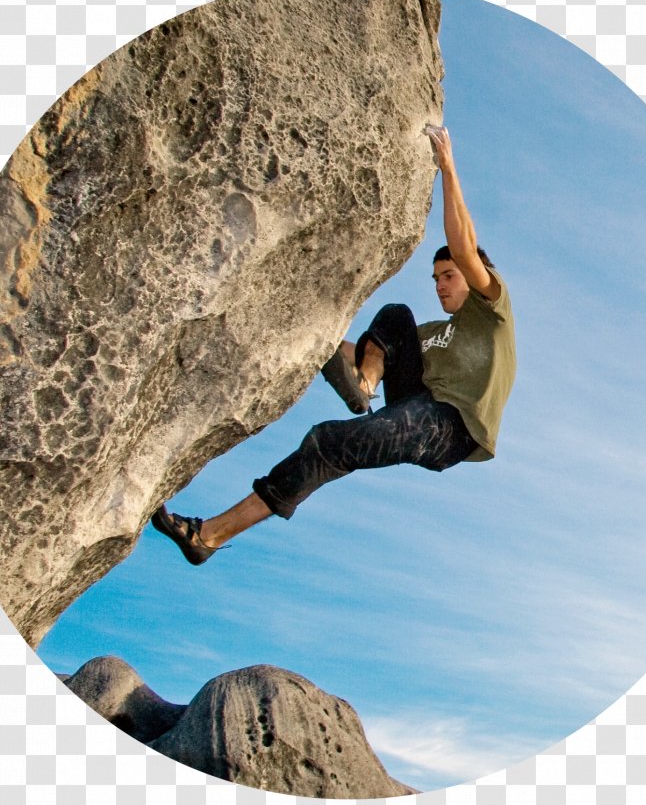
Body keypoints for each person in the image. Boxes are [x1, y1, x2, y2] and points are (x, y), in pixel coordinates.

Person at [151, 127, 516, 565]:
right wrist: (305, 333)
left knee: (330, 434)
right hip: (414, 402)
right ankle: (205, 536)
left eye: (448, 276)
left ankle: (216, 531)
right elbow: (353, 348)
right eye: (435, 279)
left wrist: (448, 167)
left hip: (450, 428)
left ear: (475, 273)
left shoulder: (492, 307)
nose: (439, 286)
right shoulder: (435, 332)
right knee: (392, 326)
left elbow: (464, 243)